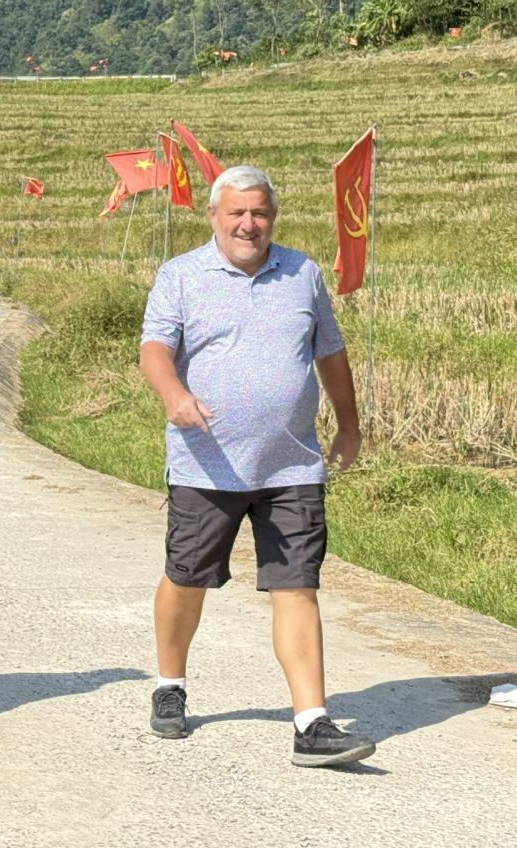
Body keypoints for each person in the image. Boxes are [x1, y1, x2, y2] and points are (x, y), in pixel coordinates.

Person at [137, 163, 374, 767]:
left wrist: (349, 426)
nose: (249, 223)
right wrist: (175, 396)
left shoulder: (304, 274)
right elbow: (156, 350)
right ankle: (170, 684)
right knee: (188, 577)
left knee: (297, 586)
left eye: (259, 213)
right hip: (206, 465)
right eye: (237, 212)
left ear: (273, 218)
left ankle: (312, 722)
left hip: (291, 464)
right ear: (214, 216)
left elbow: (332, 353)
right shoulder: (181, 276)